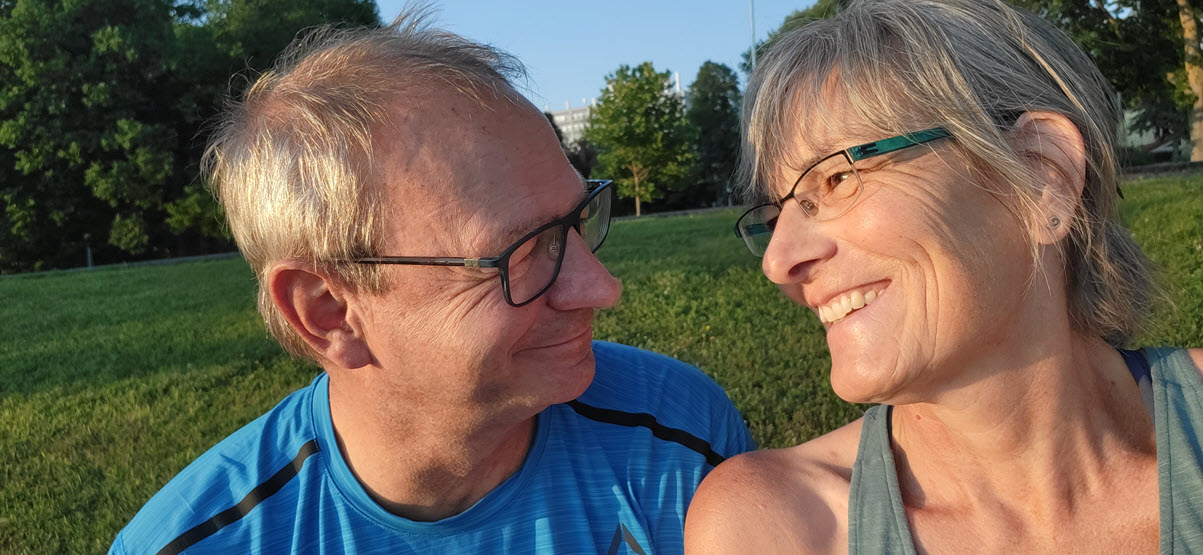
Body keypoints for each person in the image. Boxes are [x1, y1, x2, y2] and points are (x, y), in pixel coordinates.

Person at [110, 11, 753, 555]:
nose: (600, 287)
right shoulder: (199, 543)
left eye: (576, 222)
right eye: (522, 252)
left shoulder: (679, 437)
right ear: (329, 311)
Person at [684, 0, 1203, 553]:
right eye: (774, 216)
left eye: (836, 178)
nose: (776, 261)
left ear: (1041, 175)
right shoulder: (777, 529)